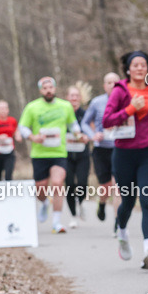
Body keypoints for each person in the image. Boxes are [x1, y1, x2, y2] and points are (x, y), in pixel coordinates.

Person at [103, 51, 148, 269]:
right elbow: (107, 120)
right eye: (135, 65)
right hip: (124, 153)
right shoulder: (119, 91)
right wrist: (131, 108)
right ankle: (122, 232)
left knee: (147, 200)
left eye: (143, 65)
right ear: (128, 69)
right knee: (128, 201)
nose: (140, 68)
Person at [18, 77, 83, 234]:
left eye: (50, 87)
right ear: (41, 91)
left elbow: (72, 123)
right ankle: (45, 203)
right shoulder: (32, 107)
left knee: (57, 183)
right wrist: (33, 137)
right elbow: (23, 127)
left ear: (55, 89)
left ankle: (56, 222)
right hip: (39, 154)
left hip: (59, 153)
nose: (48, 90)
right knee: (40, 189)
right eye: (45, 88)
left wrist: (77, 132)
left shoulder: (65, 106)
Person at [82, 72, 120, 227]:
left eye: (115, 82)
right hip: (101, 150)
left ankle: (118, 223)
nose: (112, 85)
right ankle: (102, 202)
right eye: (109, 82)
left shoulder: (128, 102)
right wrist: (93, 135)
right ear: (105, 86)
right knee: (106, 186)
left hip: (120, 149)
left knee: (118, 187)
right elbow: (85, 123)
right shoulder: (97, 102)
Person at [64, 85, 91, 228]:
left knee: (82, 183)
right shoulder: (62, 114)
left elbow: (91, 131)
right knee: (69, 185)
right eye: (71, 95)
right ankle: (73, 216)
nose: (74, 98)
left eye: (76, 96)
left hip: (83, 155)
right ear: (67, 98)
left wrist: (87, 137)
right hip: (66, 155)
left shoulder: (86, 114)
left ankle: (80, 203)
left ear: (80, 98)